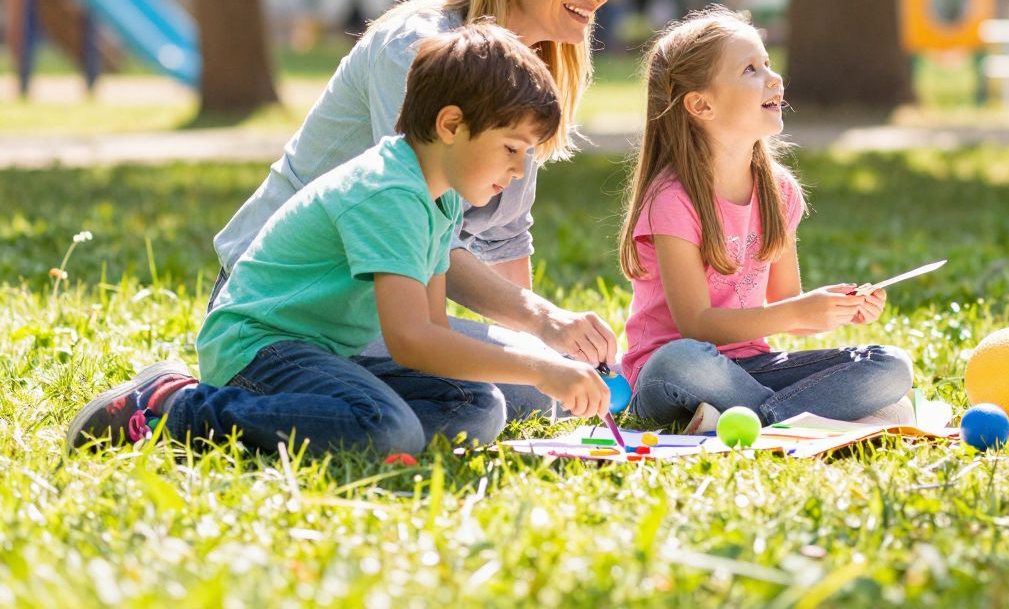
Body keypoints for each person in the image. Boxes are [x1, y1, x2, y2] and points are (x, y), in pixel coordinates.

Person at [68, 24, 609, 456]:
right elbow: (412, 341)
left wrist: (535, 362)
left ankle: (345, 431)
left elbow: (436, 335)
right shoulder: (388, 192)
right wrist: (541, 368)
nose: (519, 170)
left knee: (478, 406)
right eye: (512, 147)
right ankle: (176, 406)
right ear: (450, 125)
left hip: (325, 353)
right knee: (387, 430)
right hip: (259, 349)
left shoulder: (440, 197)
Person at [210, 0, 622, 419]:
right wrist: (542, 327)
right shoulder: (420, 47)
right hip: (291, 305)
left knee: (537, 393)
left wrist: (544, 344)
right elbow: (406, 222)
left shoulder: (523, 75)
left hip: (386, 303)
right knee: (527, 388)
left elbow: (502, 233)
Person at [617, 7, 913, 429]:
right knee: (681, 360)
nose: (774, 79)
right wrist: (798, 313)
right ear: (701, 104)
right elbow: (696, 326)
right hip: (674, 375)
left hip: (753, 370)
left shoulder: (779, 191)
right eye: (750, 69)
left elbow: (787, 303)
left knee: (891, 365)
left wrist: (832, 308)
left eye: (768, 63)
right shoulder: (672, 198)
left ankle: (749, 416)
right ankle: (810, 415)